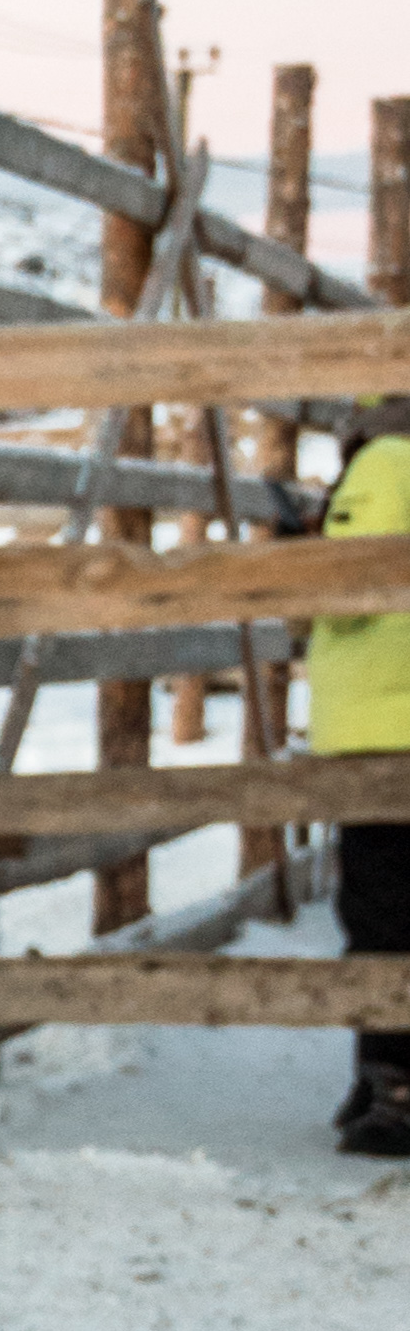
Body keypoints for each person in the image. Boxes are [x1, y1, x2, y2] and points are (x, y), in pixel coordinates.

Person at [312, 389, 410, 1153]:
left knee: (382, 911)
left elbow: (346, 587)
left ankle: (392, 1091)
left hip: (383, 724)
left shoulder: (386, 459)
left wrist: (297, 558)